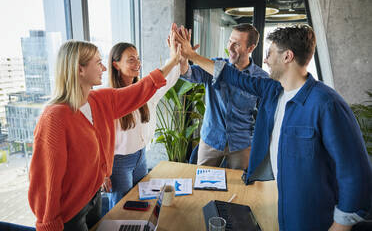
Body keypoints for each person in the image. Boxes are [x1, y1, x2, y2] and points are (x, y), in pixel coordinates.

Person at [174, 24, 372, 231]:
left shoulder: (326, 103)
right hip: (284, 203)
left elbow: (357, 174)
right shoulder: (272, 90)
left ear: (287, 56)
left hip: (314, 215)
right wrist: (190, 56)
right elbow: (232, 76)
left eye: (269, 54)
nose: (266, 60)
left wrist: (341, 226)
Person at [28, 35, 181, 231]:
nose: (104, 68)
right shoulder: (54, 118)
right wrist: (48, 225)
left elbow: (141, 90)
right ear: (79, 69)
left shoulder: (99, 100)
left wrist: (174, 60)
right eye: (98, 63)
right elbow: (45, 180)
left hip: (94, 199)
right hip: (69, 215)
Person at [106, 32, 187, 208]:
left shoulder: (144, 91)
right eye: (131, 60)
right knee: (120, 208)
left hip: (141, 156)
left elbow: (167, 79)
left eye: (138, 58)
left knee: (141, 203)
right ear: (116, 65)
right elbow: (100, 140)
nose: (138, 64)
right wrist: (103, 172)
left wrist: (176, 53)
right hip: (120, 162)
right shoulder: (110, 98)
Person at [178, 23, 268, 169]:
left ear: (250, 48)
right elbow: (188, 74)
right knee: (203, 185)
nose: (230, 47)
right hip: (211, 140)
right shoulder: (213, 65)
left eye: (237, 44)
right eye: (229, 41)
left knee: (239, 187)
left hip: (241, 144)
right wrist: (182, 59)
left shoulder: (261, 78)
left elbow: (266, 115)